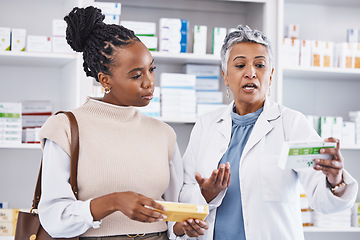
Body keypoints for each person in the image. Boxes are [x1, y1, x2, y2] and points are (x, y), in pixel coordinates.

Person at [38, 6, 206, 240]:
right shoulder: (65, 128)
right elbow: (54, 217)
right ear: (105, 80)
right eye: (136, 75)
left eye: (151, 69)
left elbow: (173, 212)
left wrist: (183, 227)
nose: (149, 82)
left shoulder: (164, 134)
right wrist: (113, 202)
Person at [178, 25, 358, 239]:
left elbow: (323, 201)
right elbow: (184, 192)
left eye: (260, 65)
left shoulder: (292, 123)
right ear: (226, 76)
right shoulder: (206, 125)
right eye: (240, 65)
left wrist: (335, 180)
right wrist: (205, 195)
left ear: (270, 75)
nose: (251, 73)